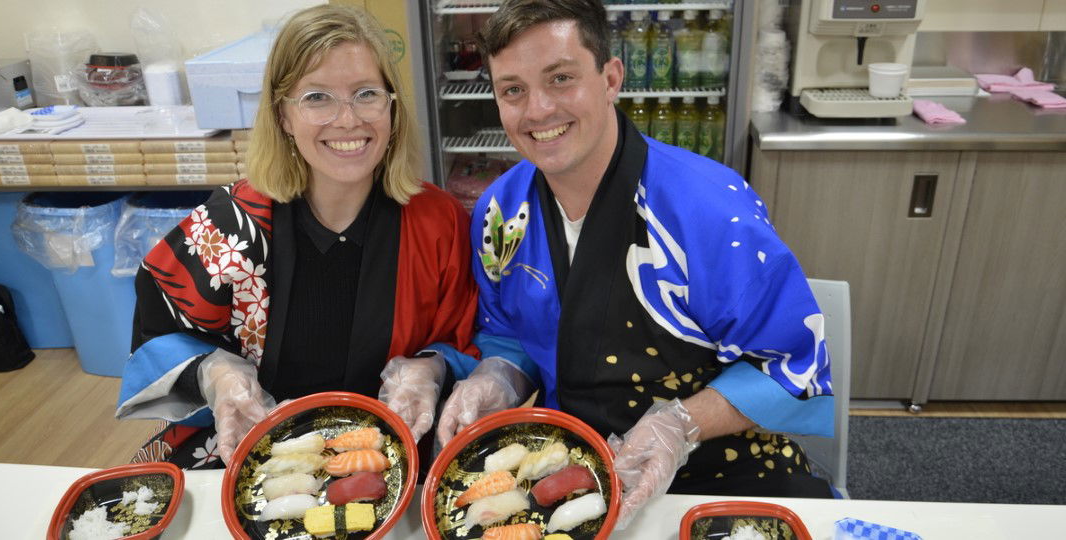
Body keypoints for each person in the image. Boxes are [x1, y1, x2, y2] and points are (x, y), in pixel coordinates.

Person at [436, 0, 835, 528]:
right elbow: (510, 330)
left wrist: (681, 424)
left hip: (718, 468)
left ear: (611, 77)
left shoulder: (710, 211)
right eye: (513, 90)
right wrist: (497, 377)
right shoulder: (501, 211)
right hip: (576, 464)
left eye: (560, 79)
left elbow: (791, 369)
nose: (536, 111)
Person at [115, 4, 478, 468]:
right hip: (255, 447)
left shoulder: (439, 221)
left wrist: (432, 366)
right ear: (283, 115)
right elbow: (157, 329)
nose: (347, 120)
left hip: (394, 450)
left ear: (392, 106)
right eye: (316, 98)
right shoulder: (229, 224)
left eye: (366, 93)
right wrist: (215, 371)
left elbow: (466, 338)